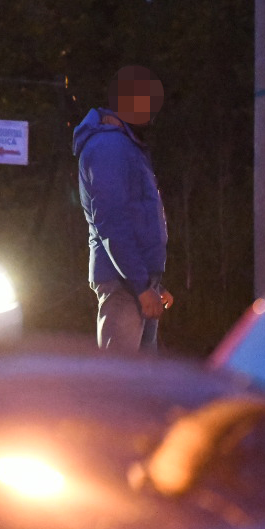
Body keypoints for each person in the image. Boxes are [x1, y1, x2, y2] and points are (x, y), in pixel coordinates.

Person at [72, 66, 173, 351]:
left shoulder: (123, 145)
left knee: (138, 383)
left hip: (131, 279)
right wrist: (141, 285)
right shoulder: (109, 147)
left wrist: (151, 284)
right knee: (120, 383)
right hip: (124, 283)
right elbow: (112, 223)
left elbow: (132, 218)